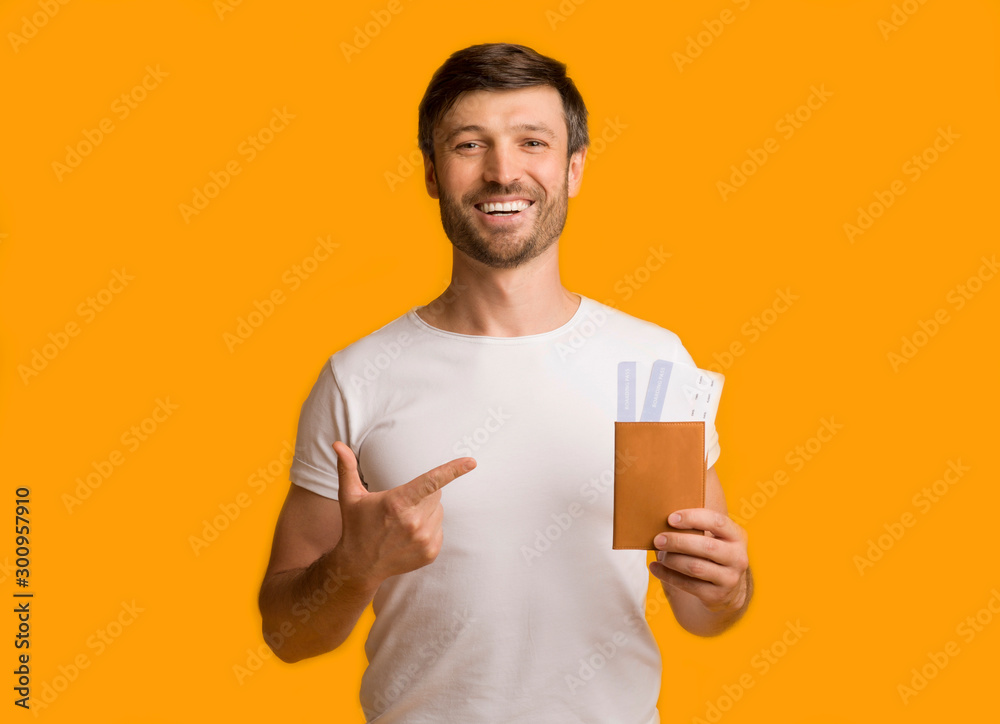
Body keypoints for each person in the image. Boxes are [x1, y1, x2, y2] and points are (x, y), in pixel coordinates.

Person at [258, 42, 752, 724]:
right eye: (469, 144)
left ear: (573, 168)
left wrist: (729, 587)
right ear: (432, 172)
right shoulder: (357, 377)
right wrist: (353, 566)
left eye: (532, 142)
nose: (502, 171)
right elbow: (287, 634)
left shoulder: (655, 364)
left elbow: (703, 611)